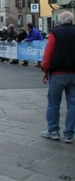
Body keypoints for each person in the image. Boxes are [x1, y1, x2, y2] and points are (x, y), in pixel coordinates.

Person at [41, 11, 75, 143]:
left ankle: (53, 131)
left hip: (58, 73)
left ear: (59, 22)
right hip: (74, 73)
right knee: (73, 104)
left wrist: (45, 70)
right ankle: (69, 134)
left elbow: (49, 53)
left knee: (54, 102)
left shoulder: (55, 33)